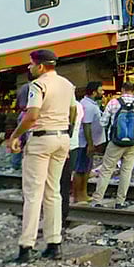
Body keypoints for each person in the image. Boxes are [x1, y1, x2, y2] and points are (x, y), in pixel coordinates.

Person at [6, 50, 77, 263]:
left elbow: (32, 115)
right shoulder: (67, 84)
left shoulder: (37, 86)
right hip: (62, 138)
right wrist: (66, 130)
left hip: (41, 139)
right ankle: (54, 243)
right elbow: (73, 111)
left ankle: (26, 246)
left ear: (41, 66)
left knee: (33, 193)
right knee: (53, 191)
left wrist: (14, 136)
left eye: (31, 64)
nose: (29, 68)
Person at [93, 81, 134, 208]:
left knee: (106, 170)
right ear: (133, 91)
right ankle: (120, 201)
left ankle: (97, 201)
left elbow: (103, 122)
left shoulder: (113, 103)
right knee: (126, 171)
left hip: (116, 142)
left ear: (122, 89)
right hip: (132, 143)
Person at [74, 82, 104, 205]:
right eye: (100, 90)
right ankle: (79, 195)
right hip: (84, 143)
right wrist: (90, 144)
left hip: (87, 142)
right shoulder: (89, 106)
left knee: (86, 169)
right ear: (94, 92)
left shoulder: (89, 104)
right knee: (81, 169)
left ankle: (83, 193)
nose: (103, 93)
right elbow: (87, 126)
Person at [58, 89, 85, 225]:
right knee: (65, 182)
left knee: (56, 184)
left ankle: (58, 216)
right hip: (72, 145)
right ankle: (63, 214)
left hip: (61, 146)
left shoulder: (61, 107)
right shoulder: (79, 107)